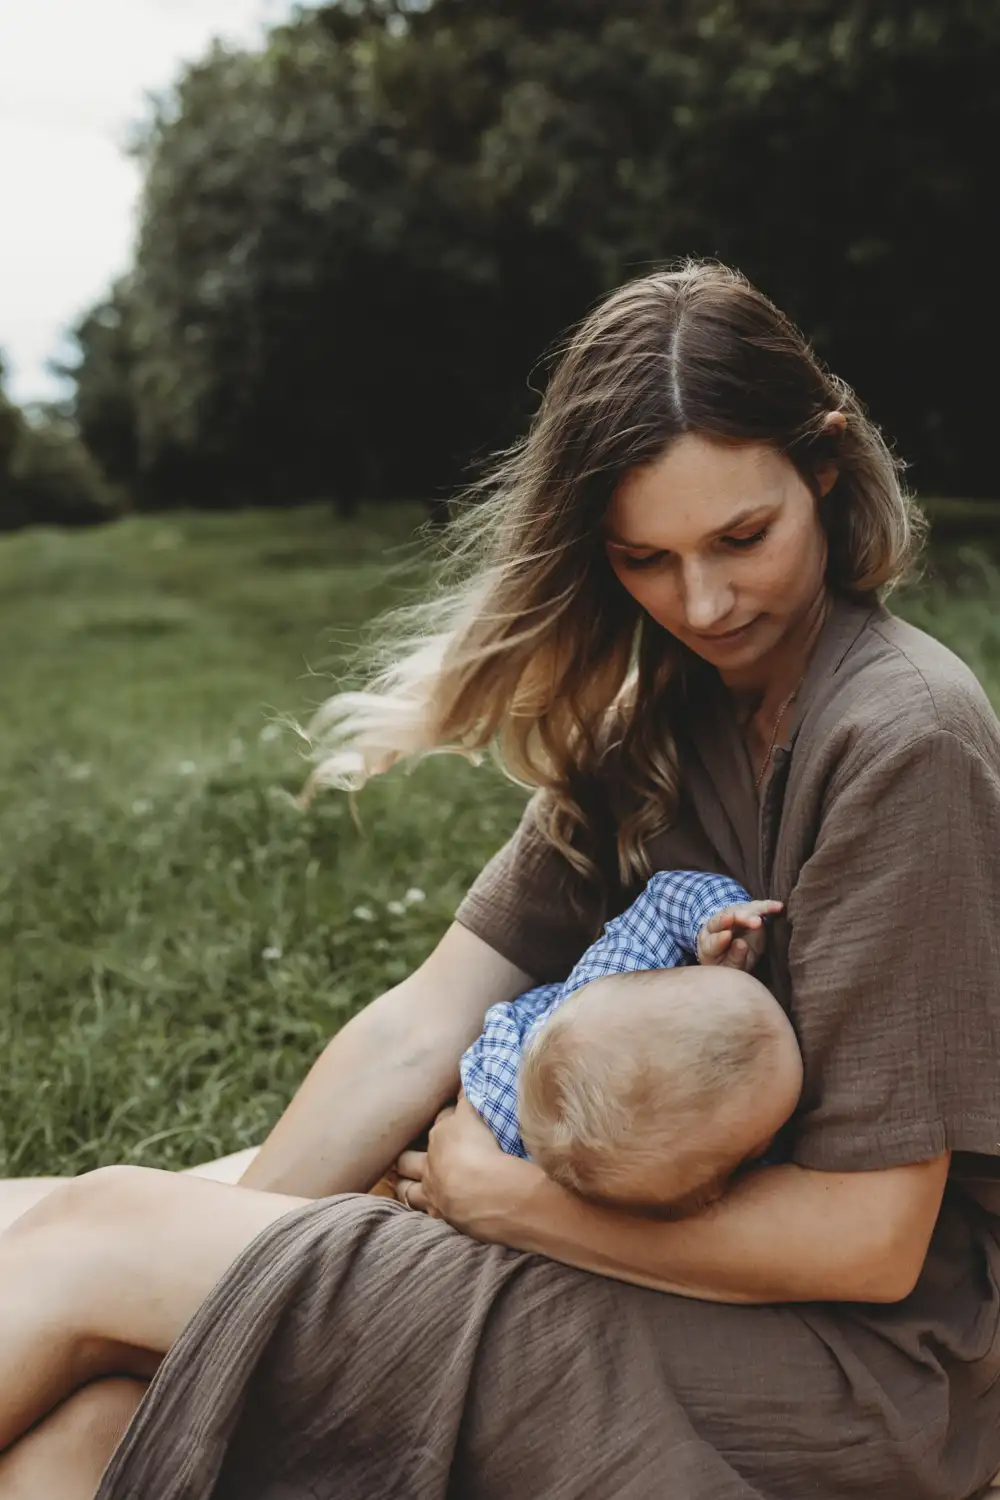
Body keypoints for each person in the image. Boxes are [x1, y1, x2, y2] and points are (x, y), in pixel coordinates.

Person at [1, 259, 1000, 1500]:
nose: (701, 600)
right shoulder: (668, 717)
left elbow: (874, 1241)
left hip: (834, 1376)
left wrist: (510, 1203)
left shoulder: (904, 736)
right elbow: (426, 1018)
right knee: (79, 1394)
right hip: (610, 1255)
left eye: (743, 537)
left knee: (99, 1235)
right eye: (645, 558)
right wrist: (229, 1266)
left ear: (829, 470)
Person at [459, 867, 798, 1211]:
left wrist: (715, 920)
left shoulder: (611, 974)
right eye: (765, 1139)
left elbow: (661, 901)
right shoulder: (671, 1172)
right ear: (711, 1190)